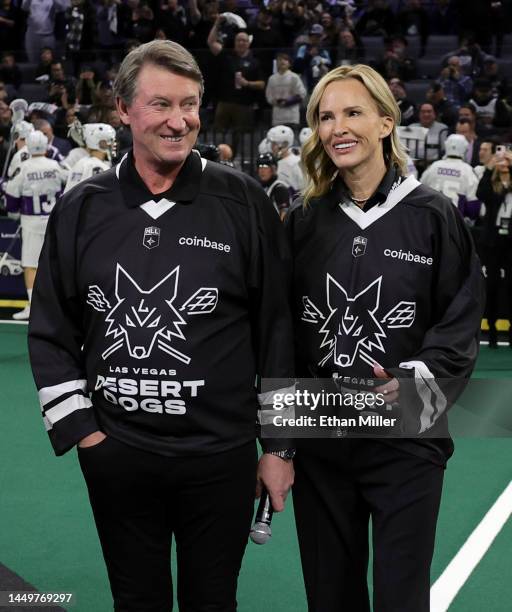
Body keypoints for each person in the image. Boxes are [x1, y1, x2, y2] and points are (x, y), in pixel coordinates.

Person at [27, 40, 295, 611]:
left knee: (212, 601)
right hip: (117, 450)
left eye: (191, 105)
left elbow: (277, 330)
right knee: (136, 600)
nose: (180, 122)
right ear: (122, 109)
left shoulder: (244, 202)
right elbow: (51, 329)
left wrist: (278, 447)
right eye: (161, 105)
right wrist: (87, 437)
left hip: (220, 457)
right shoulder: (82, 208)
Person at [286, 64, 483, 611]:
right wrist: (280, 437)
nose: (337, 127)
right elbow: (280, 326)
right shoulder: (303, 221)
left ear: (385, 122)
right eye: (325, 117)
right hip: (322, 433)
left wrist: (415, 377)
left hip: (408, 438)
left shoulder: (433, 216)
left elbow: (460, 318)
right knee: (330, 597)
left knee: (402, 597)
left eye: (352, 112)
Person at [4, 130, 67, 320]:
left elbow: (12, 194)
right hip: (53, 219)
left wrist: (13, 212)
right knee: (57, 263)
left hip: (31, 221)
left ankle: (33, 306)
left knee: (31, 265)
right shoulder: (55, 165)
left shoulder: (24, 167)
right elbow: (71, 182)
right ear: (46, 146)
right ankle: (58, 307)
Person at [476, 146, 512, 348]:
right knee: (492, 286)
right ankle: (490, 331)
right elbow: (480, 193)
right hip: (492, 242)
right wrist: (490, 167)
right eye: (501, 159)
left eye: (507, 159)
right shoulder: (492, 184)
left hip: (510, 243)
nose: (504, 162)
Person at [421, 134, 480, 220]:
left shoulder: (434, 166)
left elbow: (420, 190)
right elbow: (473, 206)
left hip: (431, 218)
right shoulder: (468, 170)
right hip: (455, 221)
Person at [64, 123, 115, 191]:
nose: (111, 144)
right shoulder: (95, 166)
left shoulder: (82, 162)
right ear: (100, 142)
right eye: (109, 140)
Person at [265, 52, 306, 130]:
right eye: (279, 60)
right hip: (277, 117)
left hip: (292, 116)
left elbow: (302, 94)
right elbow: (269, 96)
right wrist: (276, 102)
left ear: (289, 63)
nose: (282, 61)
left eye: (285, 59)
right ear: (276, 63)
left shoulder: (294, 77)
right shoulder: (272, 79)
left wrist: (288, 101)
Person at [267, 124, 304, 195]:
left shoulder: (296, 163)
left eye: (274, 143)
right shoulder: (276, 162)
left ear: (284, 144)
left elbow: (304, 190)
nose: (272, 147)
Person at [256, 152, 291, 220]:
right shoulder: (261, 187)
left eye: (266, 167)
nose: (262, 170)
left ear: (274, 169)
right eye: (260, 166)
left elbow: (284, 215)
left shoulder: (279, 188)